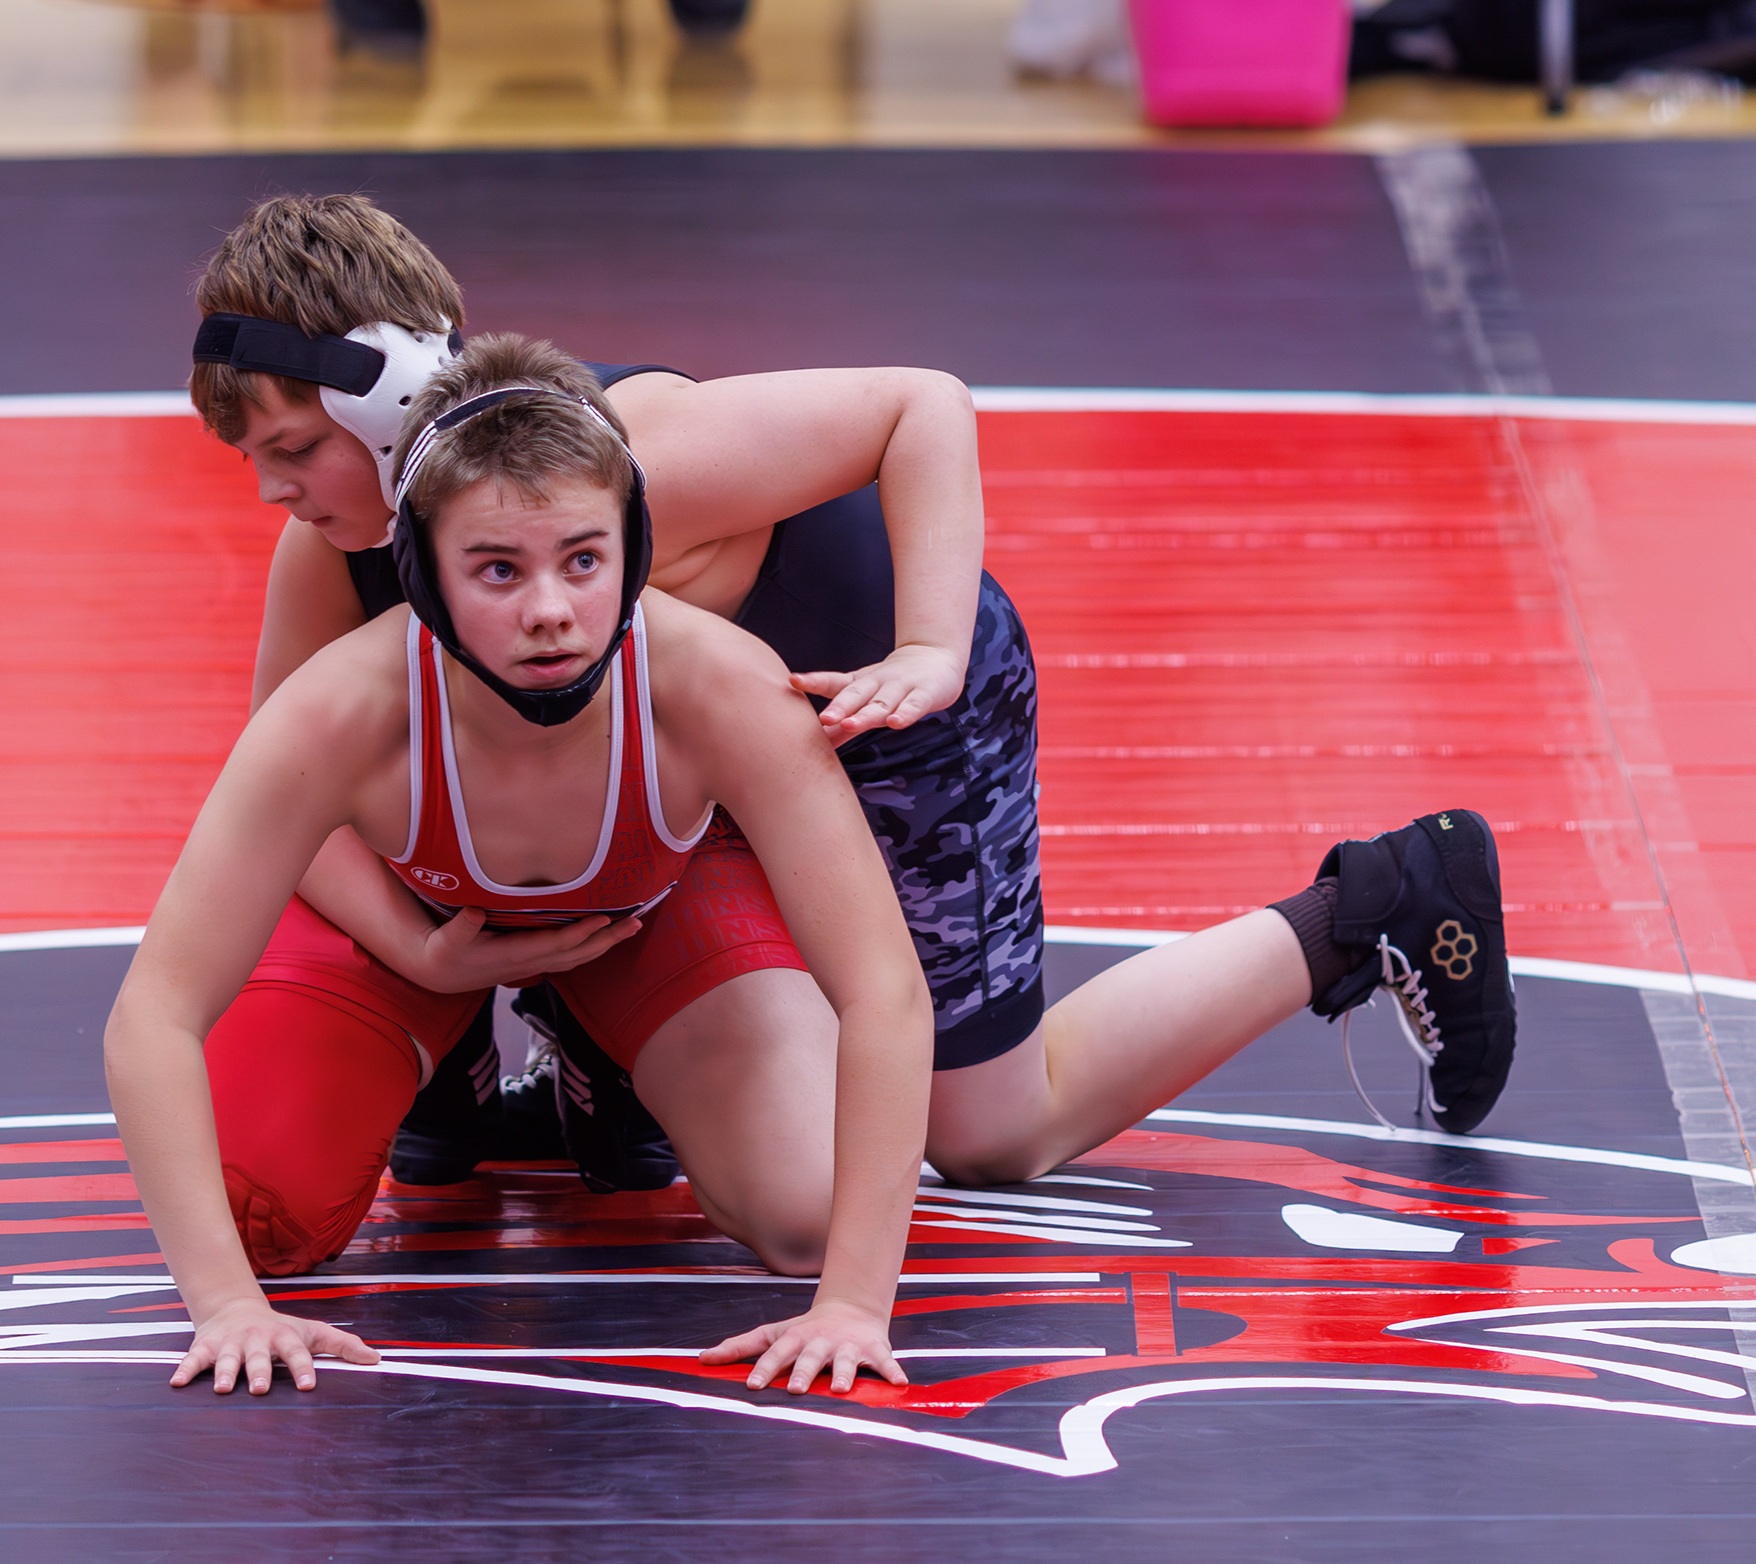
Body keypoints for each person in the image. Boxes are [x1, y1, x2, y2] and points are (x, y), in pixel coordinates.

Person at [185, 192, 1515, 1200]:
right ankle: (567, 1052)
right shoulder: (331, 550)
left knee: (992, 1130)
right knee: (424, 754)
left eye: (292, 448)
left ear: (392, 401)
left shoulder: (629, 460)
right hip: (703, 757)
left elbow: (918, 407)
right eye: (252, 457)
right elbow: (285, 793)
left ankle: (1376, 902)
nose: (272, 489)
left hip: (873, 711)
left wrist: (929, 647)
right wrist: (420, 953)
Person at [107, 337, 934, 1399]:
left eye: (583, 561)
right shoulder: (339, 709)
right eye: (498, 570)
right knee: (252, 1216)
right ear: (423, 572)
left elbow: (884, 990)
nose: (550, 610)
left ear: (632, 548)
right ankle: (450, 1059)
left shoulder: (720, 686)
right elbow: (153, 1014)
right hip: (415, 920)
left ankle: (605, 1055)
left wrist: (856, 1301)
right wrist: (225, 1302)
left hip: (637, 909)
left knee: (811, 1213)